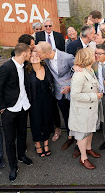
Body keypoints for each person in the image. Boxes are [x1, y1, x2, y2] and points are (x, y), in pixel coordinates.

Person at [0, 43, 32, 182]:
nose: (31, 55)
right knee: (9, 140)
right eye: (29, 53)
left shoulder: (24, 67)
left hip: (23, 107)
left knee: (22, 133)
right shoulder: (6, 67)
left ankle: (21, 155)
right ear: (24, 53)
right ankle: (13, 167)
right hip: (9, 109)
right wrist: (2, 107)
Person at [35, 41, 76, 151]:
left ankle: (79, 142)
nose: (38, 55)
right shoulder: (46, 60)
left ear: (47, 53)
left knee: (76, 117)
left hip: (72, 92)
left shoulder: (68, 57)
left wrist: (70, 86)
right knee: (66, 116)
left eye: (39, 53)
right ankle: (70, 137)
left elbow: (79, 71)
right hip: (59, 94)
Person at [69, 48, 102, 170]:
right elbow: (74, 95)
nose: (96, 55)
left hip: (90, 108)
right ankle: (83, 157)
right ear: (88, 58)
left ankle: (88, 149)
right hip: (82, 111)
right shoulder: (79, 75)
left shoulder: (90, 69)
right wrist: (94, 96)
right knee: (82, 134)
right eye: (94, 54)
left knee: (90, 130)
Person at [26, 51, 54, 157]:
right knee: (36, 122)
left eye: (36, 55)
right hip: (34, 102)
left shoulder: (46, 68)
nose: (34, 57)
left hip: (47, 100)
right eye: (32, 56)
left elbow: (51, 83)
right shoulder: (27, 71)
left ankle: (46, 142)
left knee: (46, 120)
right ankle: (37, 143)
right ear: (29, 59)